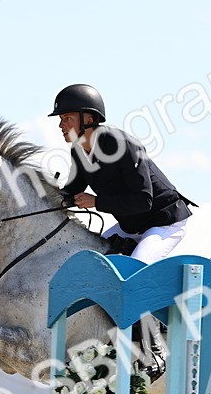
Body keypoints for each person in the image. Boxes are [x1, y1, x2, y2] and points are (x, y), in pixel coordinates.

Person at [51, 84, 194, 265]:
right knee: (88, 264)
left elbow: (143, 201)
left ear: (88, 119)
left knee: (133, 270)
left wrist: (96, 202)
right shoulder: (79, 151)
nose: (60, 125)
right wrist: (46, 196)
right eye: (61, 119)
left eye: (67, 118)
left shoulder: (122, 145)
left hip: (163, 222)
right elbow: (72, 190)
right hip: (131, 226)